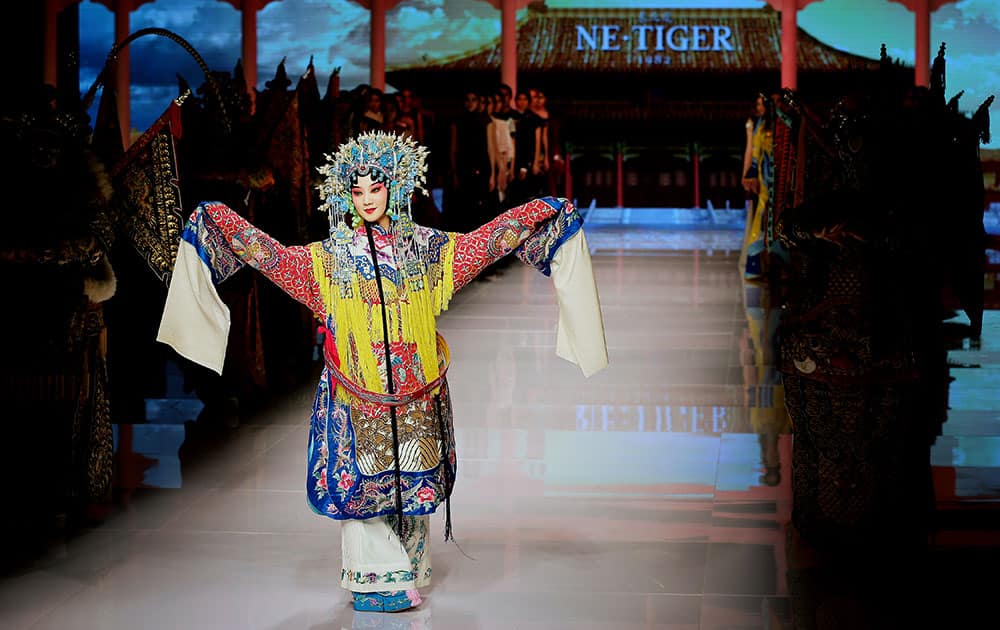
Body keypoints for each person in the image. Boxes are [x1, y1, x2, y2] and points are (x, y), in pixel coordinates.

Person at [157, 131, 607, 613]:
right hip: (356, 394)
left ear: (396, 186)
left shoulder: (427, 250)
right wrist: (220, 225)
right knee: (361, 481)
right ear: (344, 196)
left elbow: (484, 243)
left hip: (415, 389)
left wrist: (538, 214)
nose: (368, 198)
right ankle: (374, 579)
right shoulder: (328, 260)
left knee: (412, 477)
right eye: (357, 191)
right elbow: (271, 257)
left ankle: (406, 568)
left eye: (376, 187)